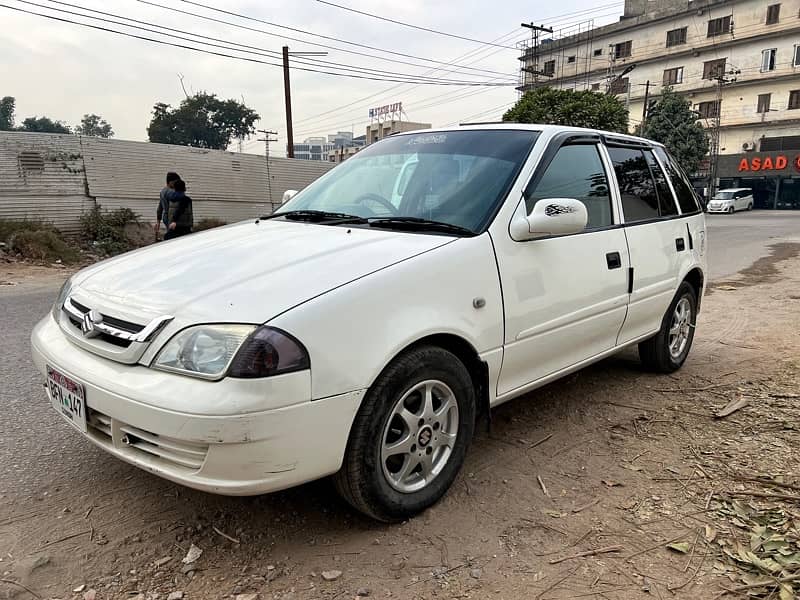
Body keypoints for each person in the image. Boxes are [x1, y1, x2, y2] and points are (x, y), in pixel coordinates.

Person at [155, 172, 180, 238]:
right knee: (175, 236)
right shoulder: (172, 192)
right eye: (176, 182)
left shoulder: (162, 191)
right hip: (172, 216)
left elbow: (160, 207)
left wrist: (158, 221)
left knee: (171, 234)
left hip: (165, 217)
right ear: (171, 182)